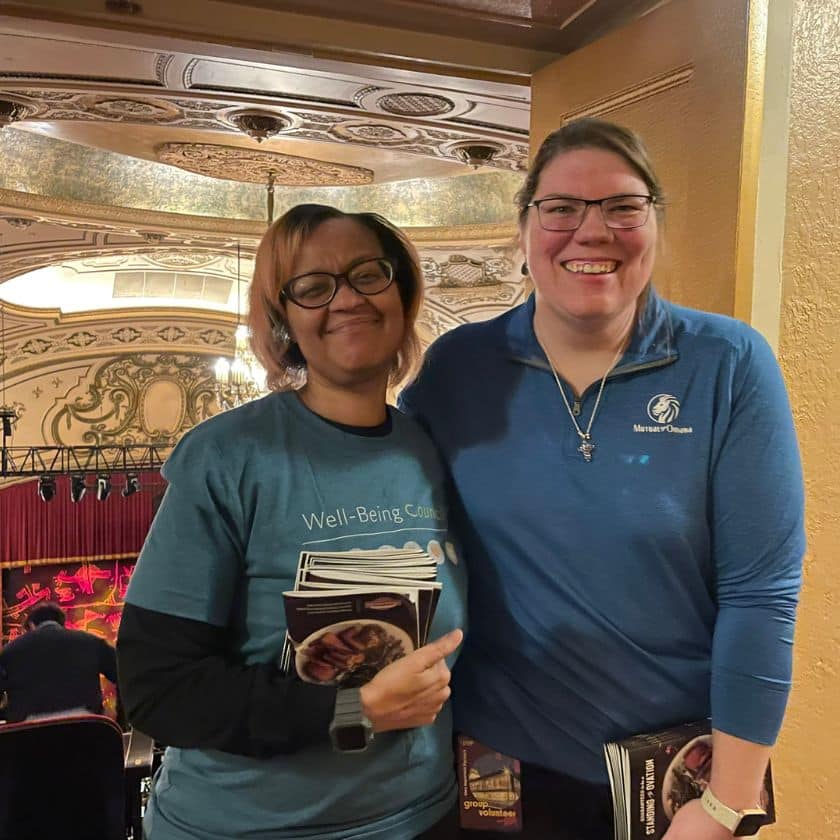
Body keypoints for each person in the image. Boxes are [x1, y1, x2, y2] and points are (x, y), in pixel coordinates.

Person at [400, 118, 805, 839]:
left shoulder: (729, 363)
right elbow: (389, 518)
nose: (592, 232)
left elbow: (761, 596)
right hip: (500, 770)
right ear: (524, 230)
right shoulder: (458, 369)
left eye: (623, 207)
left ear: (654, 222)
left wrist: (723, 805)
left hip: (678, 782)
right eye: (560, 209)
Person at [117, 204, 467, 840]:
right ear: (284, 320)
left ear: (404, 293)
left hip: (423, 816)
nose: (347, 300)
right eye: (312, 287)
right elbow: (157, 689)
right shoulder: (228, 455)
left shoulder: (432, 448)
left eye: (369, 274)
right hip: (245, 828)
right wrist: (352, 709)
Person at [0, 602, 117, 722]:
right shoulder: (92, 643)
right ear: (62, 623)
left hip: (29, 730)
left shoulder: (10, 651)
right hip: (86, 724)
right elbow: (123, 674)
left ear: (31, 625)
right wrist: (121, 721)